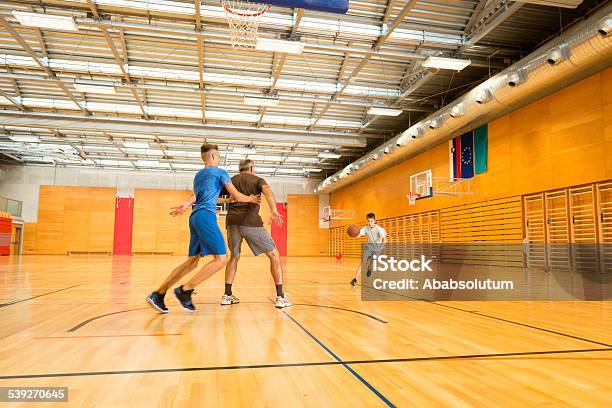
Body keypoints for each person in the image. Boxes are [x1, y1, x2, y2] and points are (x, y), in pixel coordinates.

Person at [146, 144, 260, 313]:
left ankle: (158, 294)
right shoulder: (220, 172)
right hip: (206, 216)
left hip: (195, 217)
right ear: (213, 156)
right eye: (219, 156)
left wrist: (187, 204)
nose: (220, 159)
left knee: (192, 262)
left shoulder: (199, 175)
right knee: (221, 259)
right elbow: (236, 195)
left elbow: (201, 197)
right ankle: (185, 291)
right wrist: (250, 199)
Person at [219, 159, 292, 308]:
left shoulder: (230, 180)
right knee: (274, 255)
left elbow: (215, 197)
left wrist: (228, 199)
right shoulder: (257, 180)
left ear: (240, 169)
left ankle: (227, 295)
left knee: (234, 256)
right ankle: (280, 297)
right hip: (250, 222)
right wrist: (274, 210)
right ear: (251, 168)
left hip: (232, 223)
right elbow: (268, 191)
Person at [350, 213, 387, 286]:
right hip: (369, 247)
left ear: (374, 221)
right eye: (368, 221)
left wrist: (381, 247)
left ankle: (370, 269)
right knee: (363, 262)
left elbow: (385, 240)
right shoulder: (366, 228)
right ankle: (355, 279)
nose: (370, 223)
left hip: (377, 248)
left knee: (372, 264)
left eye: (371, 221)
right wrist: (353, 233)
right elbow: (358, 233)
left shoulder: (379, 229)